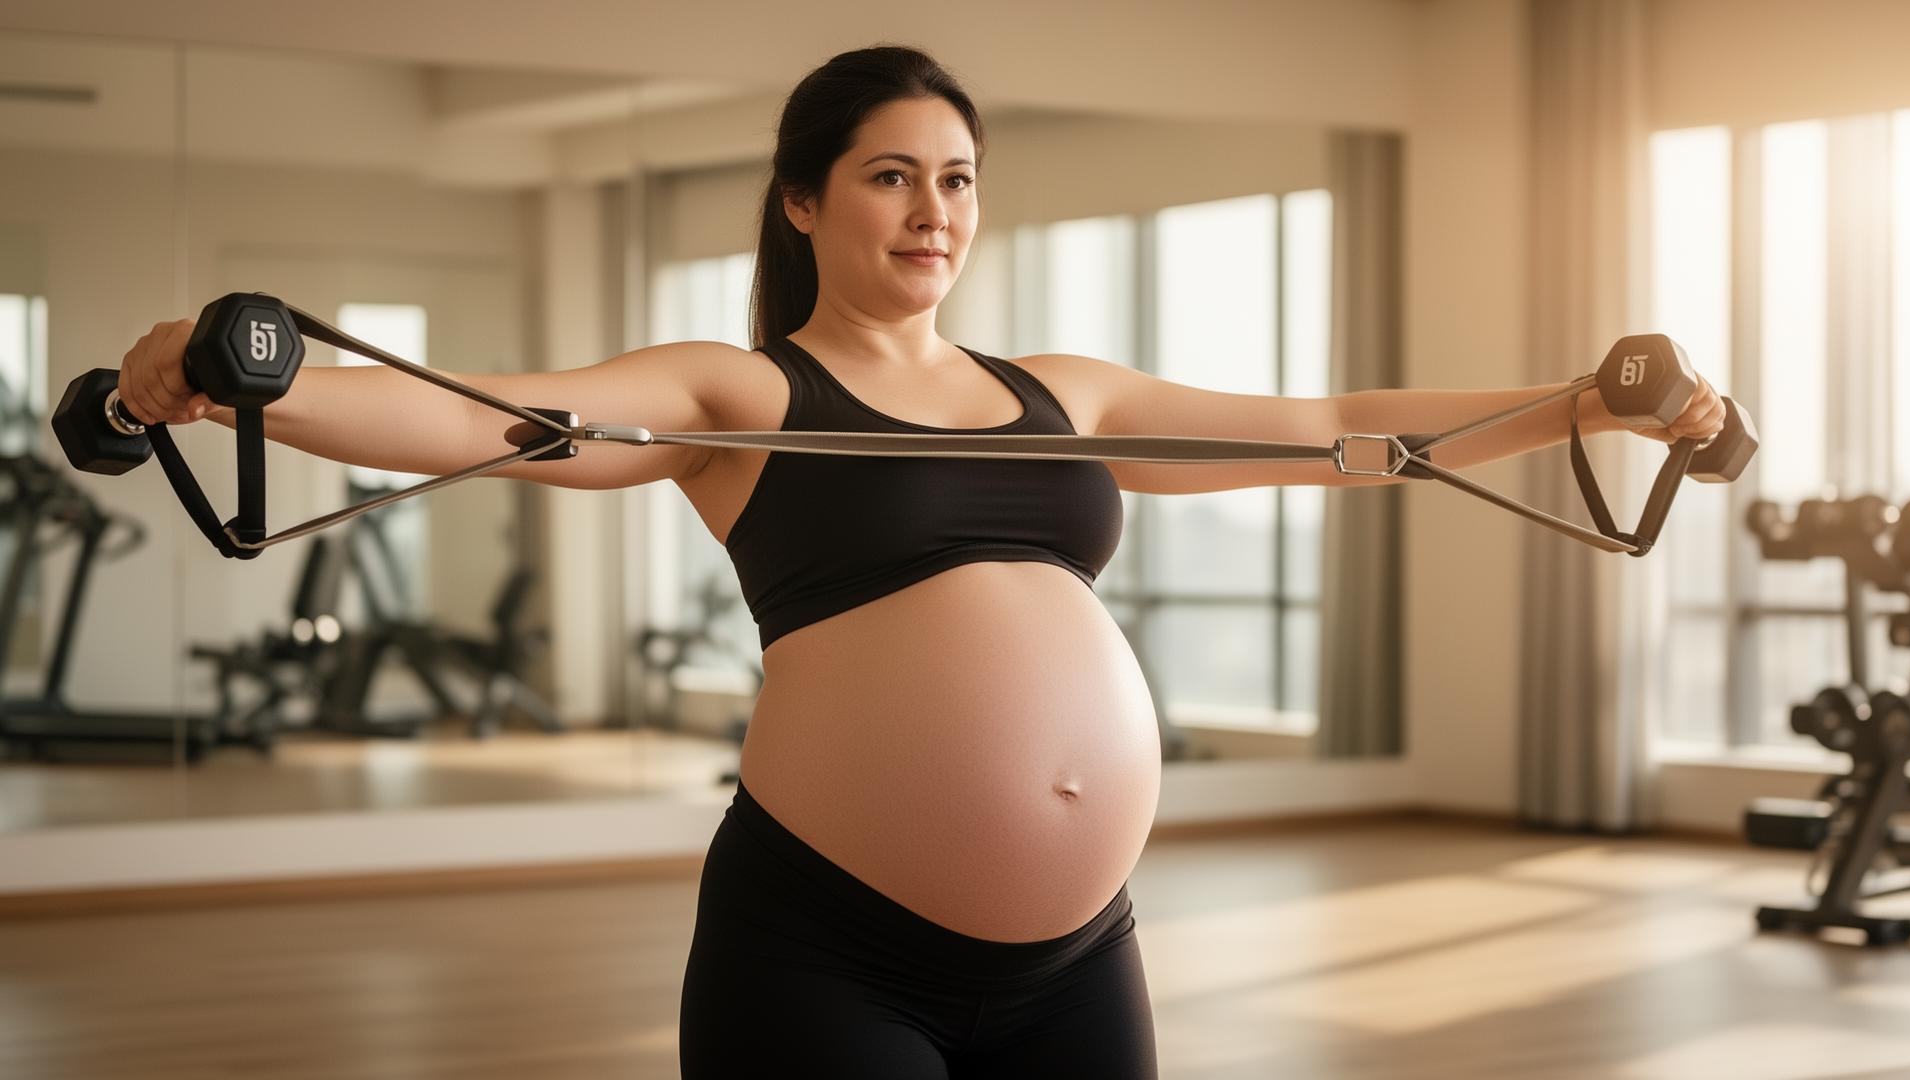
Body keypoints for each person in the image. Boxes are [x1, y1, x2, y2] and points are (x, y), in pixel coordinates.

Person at [116, 43, 1726, 1080]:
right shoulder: (742, 394)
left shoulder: (1068, 396)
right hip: (829, 948)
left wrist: (1580, 405)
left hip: (1080, 955)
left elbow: (1345, 428)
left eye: (955, 178)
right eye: (892, 174)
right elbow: (491, 419)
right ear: (806, 200)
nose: (932, 208)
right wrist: (230, 373)